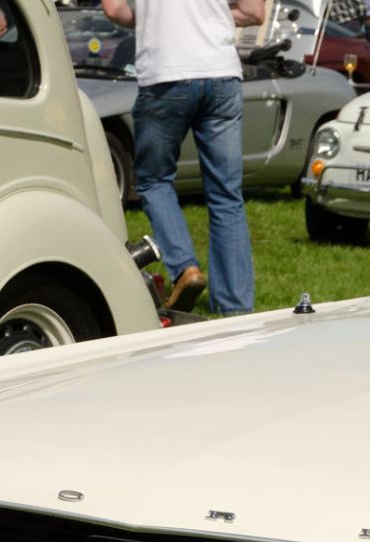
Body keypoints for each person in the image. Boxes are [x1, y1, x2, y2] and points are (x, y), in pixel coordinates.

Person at [101, 0, 264, 315]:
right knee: (226, 194)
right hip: (221, 74)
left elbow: (113, 9)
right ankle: (235, 308)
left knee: (153, 180)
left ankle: (185, 268)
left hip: (166, 73)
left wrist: (156, 20)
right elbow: (255, 12)